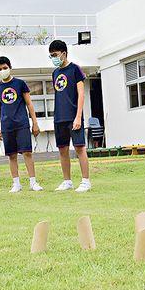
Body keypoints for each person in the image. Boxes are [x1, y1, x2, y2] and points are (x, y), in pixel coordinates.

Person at [0, 56, 43, 193]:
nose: (2, 70)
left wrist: (35, 123)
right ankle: (16, 183)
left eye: (5, 68)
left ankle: (33, 182)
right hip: (7, 126)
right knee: (12, 155)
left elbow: (29, 104)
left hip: (22, 124)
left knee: (27, 153)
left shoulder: (20, 84)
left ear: (10, 67)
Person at [49, 40, 91, 192]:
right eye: (50, 56)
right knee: (62, 150)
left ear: (64, 53)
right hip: (59, 117)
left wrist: (78, 116)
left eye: (55, 54)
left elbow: (81, 94)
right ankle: (67, 181)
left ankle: (86, 181)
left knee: (80, 148)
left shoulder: (75, 70)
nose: (53, 58)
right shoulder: (55, 73)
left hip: (74, 116)